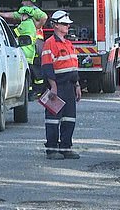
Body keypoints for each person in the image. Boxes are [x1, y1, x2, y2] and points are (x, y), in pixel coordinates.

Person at [41, 10, 82, 160]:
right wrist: (53, 86)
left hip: (69, 86)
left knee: (69, 118)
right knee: (53, 119)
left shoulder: (69, 44)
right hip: (57, 86)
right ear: (56, 25)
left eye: (68, 24)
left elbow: (73, 66)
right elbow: (47, 66)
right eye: (65, 24)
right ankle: (52, 149)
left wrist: (77, 85)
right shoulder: (49, 44)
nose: (67, 26)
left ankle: (65, 147)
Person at [0, 0, 48, 98]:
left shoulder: (35, 11)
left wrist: (38, 26)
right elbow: (12, 14)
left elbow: (44, 17)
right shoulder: (26, 13)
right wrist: (0, 13)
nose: (22, 2)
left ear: (28, 1)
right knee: (32, 68)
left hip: (35, 44)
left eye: (23, 0)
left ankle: (37, 90)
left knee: (35, 67)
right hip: (30, 45)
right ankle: (33, 90)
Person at [13, 6, 37, 92]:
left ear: (26, 15)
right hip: (30, 51)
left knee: (24, 72)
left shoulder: (25, 24)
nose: (20, 17)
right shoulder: (31, 23)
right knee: (29, 72)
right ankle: (29, 90)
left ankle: (27, 91)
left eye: (22, 15)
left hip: (25, 51)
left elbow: (14, 33)